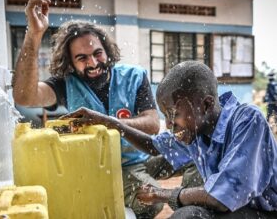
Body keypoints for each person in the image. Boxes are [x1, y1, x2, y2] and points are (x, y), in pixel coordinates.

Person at [62, 61, 277, 219]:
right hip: (237, 207)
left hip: (264, 211)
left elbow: (221, 198)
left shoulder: (248, 120)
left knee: (189, 215)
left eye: (174, 114)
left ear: (206, 105)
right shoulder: (197, 128)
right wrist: (109, 122)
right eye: (165, 115)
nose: (169, 123)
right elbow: (153, 146)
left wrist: (162, 194)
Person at [12, 0, 163, 218]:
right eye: (82, 58)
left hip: (137, 162)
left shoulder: (134, 76)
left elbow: (152, 124)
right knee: (141, 201)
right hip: (95, 168)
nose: (93, 63)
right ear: (70, 63)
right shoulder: (65, 84)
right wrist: (34, 34)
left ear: (107, 50)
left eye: (97, 53)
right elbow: (24, 96)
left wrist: (108, 122)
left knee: (170, 185)